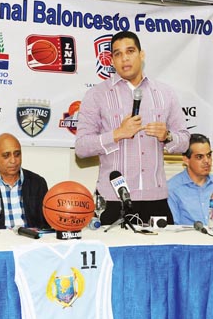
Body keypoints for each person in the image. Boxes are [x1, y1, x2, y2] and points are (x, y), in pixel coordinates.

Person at [75, 31, 190, 225]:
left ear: (141, 55)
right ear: (111, 60)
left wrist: (168, 136)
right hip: (113, 200)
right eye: (117, 54)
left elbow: (185, 140)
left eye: (130, 51)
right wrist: (118, 134)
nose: (124, 58)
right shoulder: (96, 95)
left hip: (156, 200)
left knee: (160, 256)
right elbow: (81, 148)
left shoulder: (164, 93)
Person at [167, 134, 213, 226]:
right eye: (199, 157)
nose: (207, 161)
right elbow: (173, 227)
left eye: (209, 155)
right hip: (189, 239)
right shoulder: (172, 188)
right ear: (186, 160)